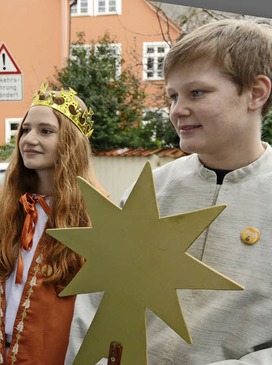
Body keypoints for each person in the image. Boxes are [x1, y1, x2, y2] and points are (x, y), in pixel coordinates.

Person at [67, 19, 272, 364]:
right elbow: (95, 301)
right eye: (173, 95)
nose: (177, 110)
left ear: (255, 93)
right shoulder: (153, 192)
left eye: (197, 92)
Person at [0, 82, 102, 365]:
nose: (29, 139)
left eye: (45, 131)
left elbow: (98, 314)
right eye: (25, 129)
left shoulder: (95, 216)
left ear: (71, 141)